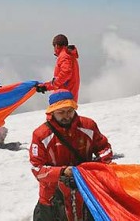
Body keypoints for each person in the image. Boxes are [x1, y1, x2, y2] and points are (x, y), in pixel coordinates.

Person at [29, 89, 113, 221]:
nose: (66, 116)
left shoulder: (88, 126)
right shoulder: (41, 134)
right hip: (52, 198)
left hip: (88, 193)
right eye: (61, 112)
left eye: (70, 111)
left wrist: (97, 167)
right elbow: (36, 169)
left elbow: (104, 148)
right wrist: (62, 172)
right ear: (52, 112)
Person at [36, 34, 80, 102]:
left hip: (64, 96)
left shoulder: (64, 56)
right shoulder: (70, 55)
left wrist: (52, 84)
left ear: (56, 46)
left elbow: (66, 73)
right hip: (69, 95)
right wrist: (45, 86)